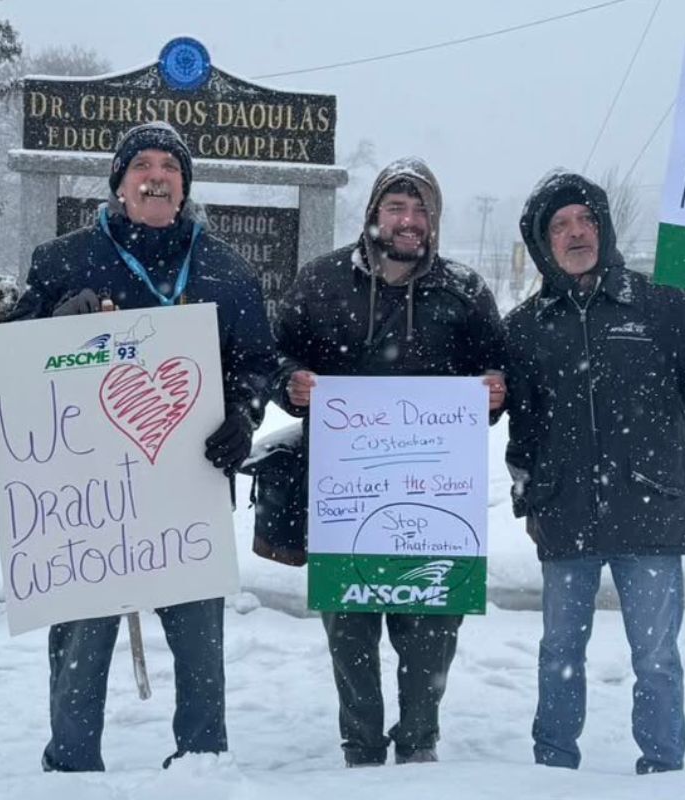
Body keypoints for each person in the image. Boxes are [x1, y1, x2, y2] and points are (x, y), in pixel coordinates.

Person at [6, 121, 277, 772]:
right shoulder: (64, 260)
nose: (156, 175)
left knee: (199, 642)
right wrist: (55, 324)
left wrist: (242, 412)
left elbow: (256, 362)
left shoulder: (224, 270)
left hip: (185, 490)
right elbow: (12, 360)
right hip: (86, 496)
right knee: (82, 634)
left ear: (185, 187)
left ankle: (203, 761)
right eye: (142, 165)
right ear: (118, 183)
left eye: (171, 167)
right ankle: (70, 765)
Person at [502, 170, 685, 774]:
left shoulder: (661, 305)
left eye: (585, 219)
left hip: (651, 511)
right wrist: (528, 497)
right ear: (544, 244)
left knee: (657, 656)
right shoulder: (526, 327)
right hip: (564, 514)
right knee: (560, 650)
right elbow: (524, 429)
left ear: (604, 227)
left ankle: (664, 768)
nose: (576, 233)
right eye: (559, 225)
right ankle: (553, 766)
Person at [271, 157, 508, 767]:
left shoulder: (465, 291)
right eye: (397, 207)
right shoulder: (321, 282)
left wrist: (495, 388)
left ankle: (419, 743)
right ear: (374, 213)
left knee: (431, 634)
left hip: (436, 503)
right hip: (343, 499)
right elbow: (275, 353)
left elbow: (498, 368)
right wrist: (288, 382)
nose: (410, 220)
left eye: (422, 209)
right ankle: (361, 749)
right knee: (349, 634)